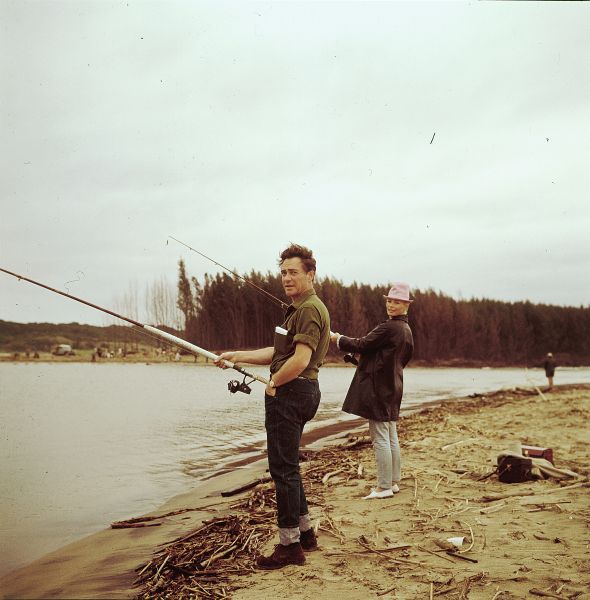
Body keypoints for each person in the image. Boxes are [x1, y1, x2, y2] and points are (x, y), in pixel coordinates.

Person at [216, 243, 330, 569]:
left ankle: (289, 546)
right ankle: (305, 535)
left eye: (293, 272)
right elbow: (275, 352)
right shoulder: (299, 308)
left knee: (282, 470)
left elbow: (300, 360)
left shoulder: (309, 309)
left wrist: (274, 383)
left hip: (293, 393)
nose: (287, 278)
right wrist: (236, 356)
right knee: (289, 466)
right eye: (283, 273)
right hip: (302, 392)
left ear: (310, 274)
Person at [331, 283, 414, 500]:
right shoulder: (406, 330)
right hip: (393, 387)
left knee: (380, 438)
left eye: (396, 301)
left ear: (406, 305)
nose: (391, 304)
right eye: (389, 300)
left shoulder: (390, 327)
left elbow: (362, 344)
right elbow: (400, 359)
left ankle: (384, 486)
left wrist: (336, 339)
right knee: (390, 435)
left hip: (379, 389)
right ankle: (393, 482)